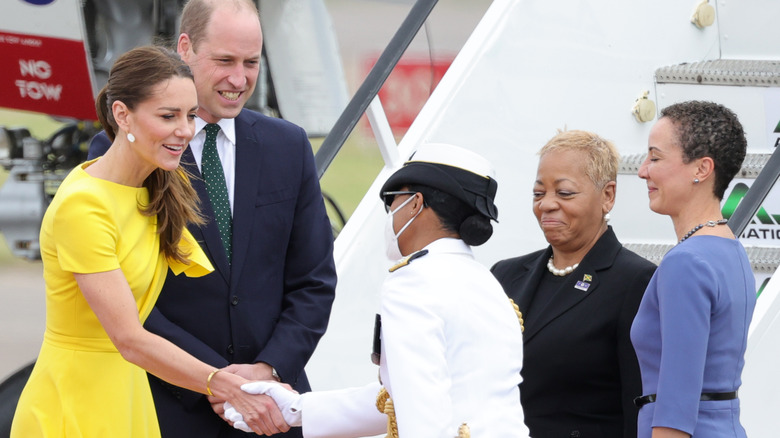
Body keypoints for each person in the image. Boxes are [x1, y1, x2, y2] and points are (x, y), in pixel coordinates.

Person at [87, 0, 337, 437]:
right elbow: (127, 296)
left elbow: (313, 281)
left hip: (272, 407)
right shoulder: (122, 153)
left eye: (251, 62)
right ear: (185, 48)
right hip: (167, 408)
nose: (239, 79)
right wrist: (218, 382)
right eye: (224, 61)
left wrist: (267, 370)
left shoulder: (288, 146)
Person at [11, 45, 282, 437]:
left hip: (129, 391)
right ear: (122, 115)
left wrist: (262, 370)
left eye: (190, 115)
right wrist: (225, 385)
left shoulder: (161, 183)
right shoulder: (84, 207)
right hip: (77, 400)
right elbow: (129, 338)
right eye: (168, 116)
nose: (185, 130)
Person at [224, 143, 530, 437]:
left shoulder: (413, 282)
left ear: (415, 204)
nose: (391, 212)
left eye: (393, 200)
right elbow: (404, 396)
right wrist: (298, 408)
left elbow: (422, 411)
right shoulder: (487, 283)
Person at [491, 130, 656, 438]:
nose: (547, 205)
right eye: (539, 194)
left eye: (564, 193)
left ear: (608, 196)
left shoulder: (636, 281)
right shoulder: (505, 275)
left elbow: (640, 404)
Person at [631, 101, 756, 438]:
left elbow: (676, 409)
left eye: (655, 157)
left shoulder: (685, 262)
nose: (643, 170)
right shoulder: (730, 249)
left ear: (701, 169)